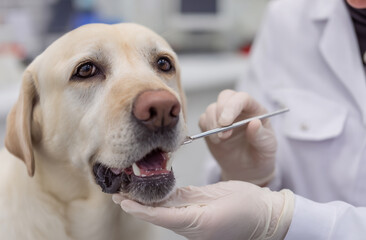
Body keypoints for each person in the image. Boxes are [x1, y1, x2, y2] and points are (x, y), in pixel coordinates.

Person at [112, 0, 366, 239]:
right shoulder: (287, 16)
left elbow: (266, 214)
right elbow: (235, 203)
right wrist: (248, 176)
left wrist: (281, 216)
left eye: (163, 65)